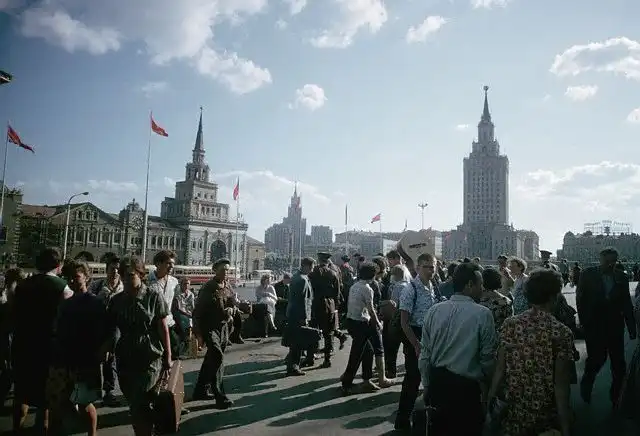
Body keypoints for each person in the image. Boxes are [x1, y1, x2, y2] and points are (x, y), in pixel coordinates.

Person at [488, 268, 574, 436]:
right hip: (545, 416)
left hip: (514, 411)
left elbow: (500, 369)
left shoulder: (511, 324)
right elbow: (561, 386)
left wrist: (490, 401)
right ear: (554, 296)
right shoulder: (561, 333)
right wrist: (565, 427)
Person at [420, 262, 496, 436]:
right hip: (467, 391)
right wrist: (490, 387)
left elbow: (425, 354)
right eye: (480, 284)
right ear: (469, 285)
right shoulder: (482, 314)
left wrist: (426, 384)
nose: (482, 289)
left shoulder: (434, 311)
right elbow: (487, 358)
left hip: (438, 385)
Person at [104, 256, 172, 436]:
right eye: (123, 275)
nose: (125, 279)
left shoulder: (153, 296)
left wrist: (168, 357)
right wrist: (107, 347)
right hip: (126, 358)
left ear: (141, 275)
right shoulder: (117, 300)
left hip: (149, 357)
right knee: (134, 403)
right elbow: (111, 327)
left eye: (130, 275)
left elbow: (163, 328)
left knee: (140, 402)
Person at [12, 247, 73, 433]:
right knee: (45, 397)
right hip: (48, 347)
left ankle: (17, 429)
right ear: (58, 265)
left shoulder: (23, 285)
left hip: (23, 344)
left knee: (21, 392)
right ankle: (41, 429)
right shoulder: (62, 287)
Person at [49, 260, 108, 436]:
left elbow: (105, 331)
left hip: (86, 359)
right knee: (65, 399)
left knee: (84, 402)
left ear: (87, 277)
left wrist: (102, 350)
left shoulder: (96, 303)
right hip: (67, 358)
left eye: (76, 277)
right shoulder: (66, 304)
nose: (72, 281)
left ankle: (92, 433)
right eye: (69, 278)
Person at [577, 247, 636, 406]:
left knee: (619, 364)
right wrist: (583, 322)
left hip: (615, 327)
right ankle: (587, 384)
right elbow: (580, 300)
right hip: (594, 326)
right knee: (596, 359)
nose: (610, 264)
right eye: (607, 261)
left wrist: (632, 328)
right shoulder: (588, 274)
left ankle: (616, 396)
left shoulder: (621, 277)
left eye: (613, 261)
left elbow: (626, 303)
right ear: (601, 259)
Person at [340, 262, 393, 393]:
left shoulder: (355, 286)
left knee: (367, 351)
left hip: (352, 321)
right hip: (361, 323)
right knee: (356, 354)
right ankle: (347, 383)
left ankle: (366, 380)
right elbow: (371, 310)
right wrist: (378, 323)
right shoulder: (367, 289)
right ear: (373, 275)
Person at [192, 258, 235, 408]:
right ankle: (220, 396)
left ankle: (200, 390)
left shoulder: (227, 285)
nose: (225, 273)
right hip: (210, 328)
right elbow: (197, 312)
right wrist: (198, 334)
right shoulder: (208, 288)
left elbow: (232, 302)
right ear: (215, 270)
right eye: (223, 270)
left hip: (223, 328)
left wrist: (232, 310)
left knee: (211, 359)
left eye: (227, 270)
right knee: (217, 358)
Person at [88, 254, 122, 406]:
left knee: (111, 360)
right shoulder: (97, 285)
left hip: (116, 328)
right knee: (95, 358)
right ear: (107, 270)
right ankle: (93, 390)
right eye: (112, 269)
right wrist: (99, 298)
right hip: (98, 327)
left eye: (117, 269)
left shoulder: (123, 287)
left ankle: (109, 391)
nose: (115, 272)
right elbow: (88, 302)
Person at [309, 252, 347, 368]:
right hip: (329, 304)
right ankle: (327, 359)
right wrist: (335, 306)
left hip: (315, 304)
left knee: (312, 331)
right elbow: (337, 293)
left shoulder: (313, 272)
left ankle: (310, 357)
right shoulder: (333, 273)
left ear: (319, 259)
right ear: (328, 261)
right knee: (328, 333)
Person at [285, 257, 316, 376]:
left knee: (296, 342)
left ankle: (292, 365)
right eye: (311, 267)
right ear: (306, 266)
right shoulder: (301, 279)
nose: (312, 270)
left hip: (295, 314)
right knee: (297, 342)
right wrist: (304, 317)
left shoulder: (299, 277)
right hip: (298, 315)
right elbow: (301, 301)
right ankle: (293, 367)